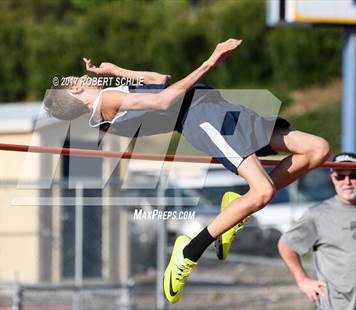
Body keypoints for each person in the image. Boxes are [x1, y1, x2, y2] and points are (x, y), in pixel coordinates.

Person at [43, 38, 331, 304]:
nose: (79, 76)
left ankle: (238, 205)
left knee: (317, 148)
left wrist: (116, 70)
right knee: (264, 190)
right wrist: (210, 61)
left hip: (217, 108)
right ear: (76, 91)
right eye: (73, 80)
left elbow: (160, 82)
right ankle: (189, 251)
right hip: (203, 118)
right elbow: (164, 100)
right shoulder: (106, 103)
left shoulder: (108, 95)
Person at [278, 152, 356, 310]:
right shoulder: (318, 214)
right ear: (332, 179)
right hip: (337, 304)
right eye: (340, 177)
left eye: (353, 175)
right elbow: (286, 245)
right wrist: (303, 280)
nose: (347, 182)